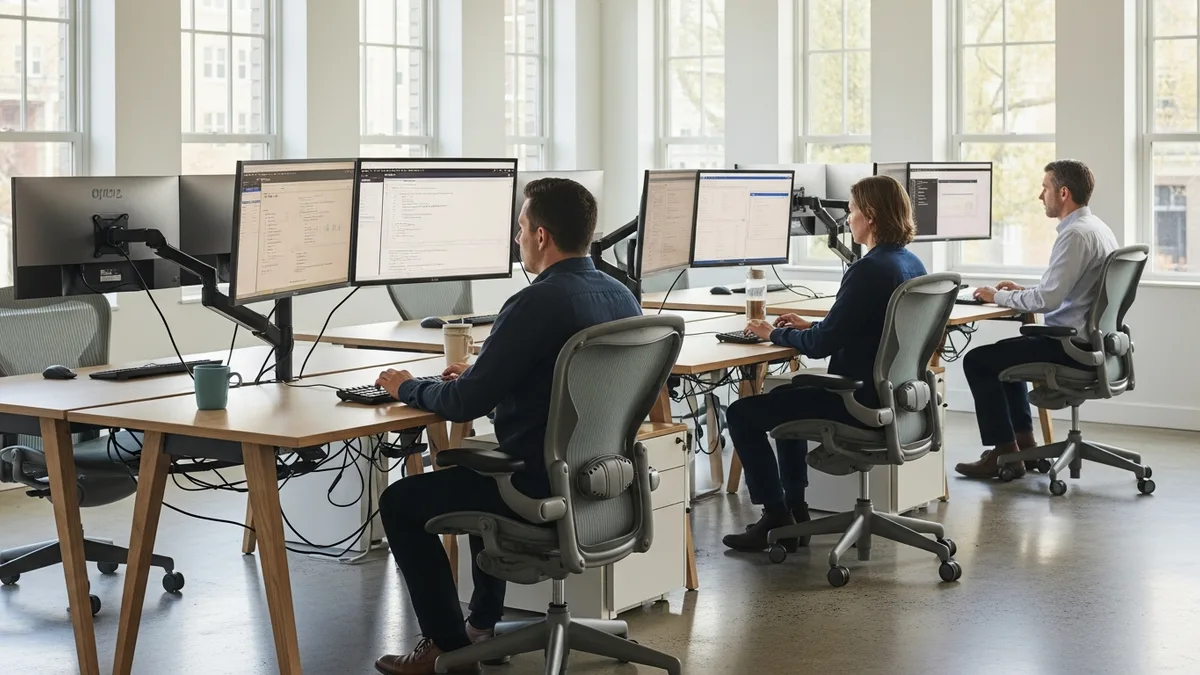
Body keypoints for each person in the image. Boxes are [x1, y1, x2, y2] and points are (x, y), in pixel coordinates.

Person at [371, 178, 642, 675]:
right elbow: (559, 393)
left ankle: (447, 647)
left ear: (540, 236)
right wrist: (486, 377)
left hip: (538, 484)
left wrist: (406, 386)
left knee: (403, 501)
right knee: (478, 470)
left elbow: (462, 403)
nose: (517, 239)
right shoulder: (622, 297)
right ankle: (482, 627)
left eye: (520, 228)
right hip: (599, 482)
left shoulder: (534, 302)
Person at [720, 175, 927, 552]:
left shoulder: (868, 270)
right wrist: (809, 324)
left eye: (851, 212)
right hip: (896, 399)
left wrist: (772, 333)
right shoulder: (911, 264)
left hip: (857, 402)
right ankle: (795, 510)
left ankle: (776, 514)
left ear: (872, 216)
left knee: (742, 414)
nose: (848, 220)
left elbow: (818, 347)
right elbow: (852, 326)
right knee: (789, 393)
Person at [955, 159, 1117, 479]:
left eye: (1045, 188)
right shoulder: (1097, 228)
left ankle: (1005, 453)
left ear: (1064, 192)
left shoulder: (1074, 236)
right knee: (1010, 352)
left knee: (978, 361)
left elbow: (1048, 300)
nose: (1040, 196)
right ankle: (1024, 446)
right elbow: (1066, 291)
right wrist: (1023, 290)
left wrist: (996, 296)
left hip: (1070, 345)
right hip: (1092, 340)